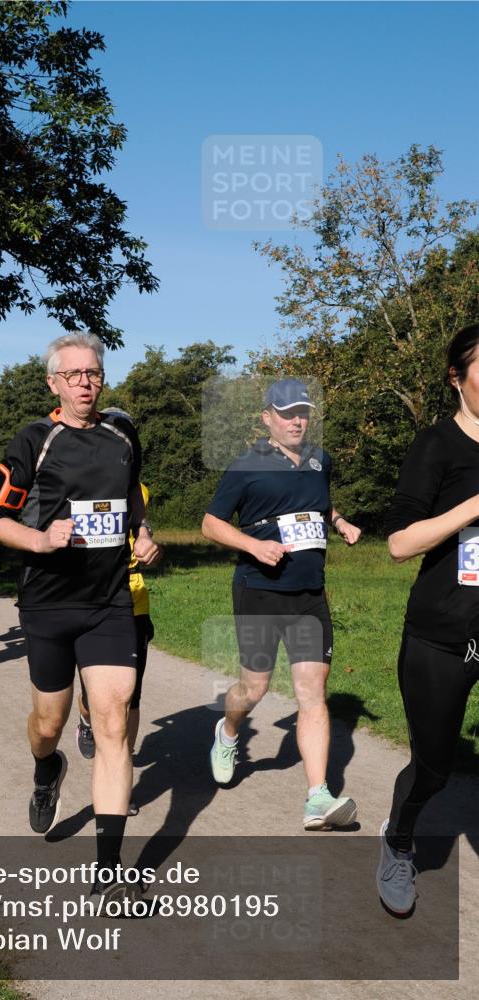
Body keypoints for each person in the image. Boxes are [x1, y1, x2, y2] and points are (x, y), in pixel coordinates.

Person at [0, 332, 160, 898]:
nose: (86, 383)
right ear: (54, 383)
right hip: (48, 602)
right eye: (75, 375)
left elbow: (132, 497)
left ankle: (109, 871)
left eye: (94, 373)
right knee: (49, 725)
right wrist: (39, 540)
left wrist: (144, 533)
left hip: (110, 601)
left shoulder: (122, 434)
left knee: (113, 724)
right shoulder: (34, 440)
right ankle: (45, 769)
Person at [202, 377, 361, 830]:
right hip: (260, 591)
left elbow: (319, 506)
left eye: (303, 412)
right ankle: (228, 731)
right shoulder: (245, 466)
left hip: (310, 594)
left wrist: (342, 522)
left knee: (313, 693)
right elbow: (211, 524)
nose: (297, 420)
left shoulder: (319, 460)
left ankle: (318, 797)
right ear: (267, 417)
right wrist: (253, 547)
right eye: (287, 413)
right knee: (254, 689)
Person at [377, 324, 479, 915]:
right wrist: (472, 505)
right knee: (435, 768)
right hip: (442, 634)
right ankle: (398, 840)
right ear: (456, 378)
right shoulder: (436, 445)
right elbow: (398, 543)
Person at [76, 478, 160, 819]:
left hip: (133, 601)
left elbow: (141, 524)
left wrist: (147, 537)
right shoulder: (75, 479)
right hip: (87, 602)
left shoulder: (139, 489)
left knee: (131, 698)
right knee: (92, 698)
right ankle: (85, 720)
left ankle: (120, 779)